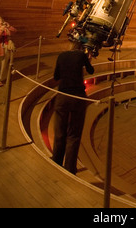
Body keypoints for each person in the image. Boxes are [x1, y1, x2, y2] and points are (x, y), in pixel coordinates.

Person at [52, 42, 94, 175]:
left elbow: (56, 77)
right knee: (74, 135)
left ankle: (56, 162)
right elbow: (91, 71)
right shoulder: (82, 55)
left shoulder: (61, 55)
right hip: (78, 97)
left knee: (59, 133)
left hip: (63, 96)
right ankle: (70, 168)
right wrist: (88, 59)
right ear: (81, 48)